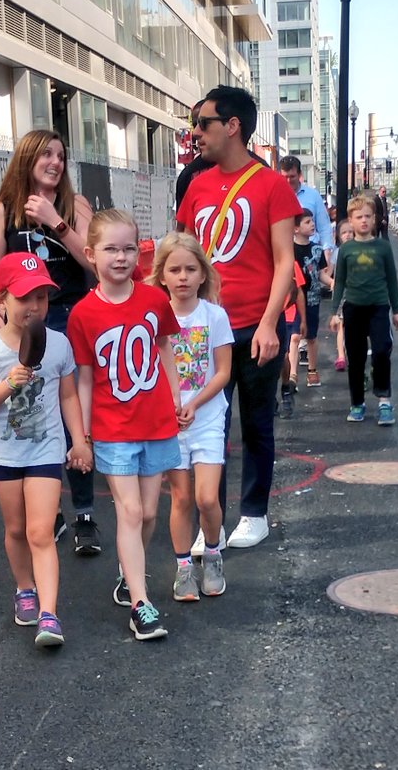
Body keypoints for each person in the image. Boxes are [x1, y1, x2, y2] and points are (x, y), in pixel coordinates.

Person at [177, 85, 300, 549]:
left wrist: (270, 323)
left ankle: (254, 512)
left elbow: (285, 261)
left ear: (232, 126)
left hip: (254, 324)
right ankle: (213, 524)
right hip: (205, 328)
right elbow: (183, 251)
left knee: (255, 421)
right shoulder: (197, 184)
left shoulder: (270, 184)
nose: (196, 134)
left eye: (203, 124)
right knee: (208, 425)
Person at [0, 129, 101, 555]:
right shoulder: (5, 211)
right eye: (46, 154)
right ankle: (48, 514)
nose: (55, 162)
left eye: (61, 155)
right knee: (30, 413)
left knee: (74, 417)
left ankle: (84, 512)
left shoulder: (75, 205)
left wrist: (56, 220)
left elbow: (95, 265)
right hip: (21, 325)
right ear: (27, 159)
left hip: (68, 317)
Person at [0, 252, 93, 648]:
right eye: (24, 298)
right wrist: (8, 383)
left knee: (41, 531)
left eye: (41, 297)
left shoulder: (57, 344)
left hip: (45, 451)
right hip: (4, 453)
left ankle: (49, 614)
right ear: (1, 300)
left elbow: (69, 396)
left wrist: (80, 440)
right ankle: (24, 588)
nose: (35, 306)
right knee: (17, 530)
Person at [67, 209, 182, 641]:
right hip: (113, 428)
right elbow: (82, 376)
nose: (121, 257)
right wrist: (82, 435)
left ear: (140, 252)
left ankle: (127, 574)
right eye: (111, 249)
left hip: (157, 423)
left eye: (129, 248)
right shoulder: (82, 314)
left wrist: (176, 396)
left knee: (149, 512)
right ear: (91, 254)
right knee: (130, 511)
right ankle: (141, 604)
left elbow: (165, 346)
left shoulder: (155, 300)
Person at [150, 232, 233, 599]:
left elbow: (222, 372)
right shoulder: (153, 318)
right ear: (162, 276)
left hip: (207, 418)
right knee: (180, 500)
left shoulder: (214, 316)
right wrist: (169, 405)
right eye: (174, 270)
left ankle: (212, 553)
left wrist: (194, 404)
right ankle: (184, 567)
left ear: (203, 274)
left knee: (206, 499)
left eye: (190, 269)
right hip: (169, 420)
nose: (182, 277)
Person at [329, 197, 398, 426]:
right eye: (359, 217)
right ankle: (357, 403)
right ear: (351, 220)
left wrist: (397, 310)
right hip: (353, 308)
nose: (363, 221)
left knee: (381, 351)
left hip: (379, 307)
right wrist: (334, 312)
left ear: (375, 219)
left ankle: (384, 401)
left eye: (368, 216)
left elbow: (392, 279)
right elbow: (339, 281)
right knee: (356, 356)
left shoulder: (383, 247)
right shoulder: (347, 250)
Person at [289, 210, 332, 389]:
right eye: (307, 222)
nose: (312, 224)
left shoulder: (316, 249)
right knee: (294, 336)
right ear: (296, 228)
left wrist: (332, 282)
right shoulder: (289, 250)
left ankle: (312, 370)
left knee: (312, 337)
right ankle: (292, 374)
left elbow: (321, 274)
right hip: (292, 299)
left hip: (312, 298)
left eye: (312, 221)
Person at [278, 156, 333, 264]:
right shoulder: (275, 196)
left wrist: (327, 251)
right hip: (285, 253)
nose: (288, 181)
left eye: (292, 176)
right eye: (285, 177)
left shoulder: (313, 195)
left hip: (311, 252)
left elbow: (324, 226)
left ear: (299, 175)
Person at [278, 261, 307, 419]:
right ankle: (269, 397)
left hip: (286, 315)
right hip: (263, 316)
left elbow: (299, 291)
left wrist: (303, 320)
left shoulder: (290, 263)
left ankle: (285, 389)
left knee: (283, 356)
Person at [331, 218, 353, 373]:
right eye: (344, 232)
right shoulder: (337, 252)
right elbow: (330, 270)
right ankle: (340, 355)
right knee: (341, 326)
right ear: (338, 236)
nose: (348, 235)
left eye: (350, 232)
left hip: (355, 294)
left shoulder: (359, 249)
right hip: (341, 294)